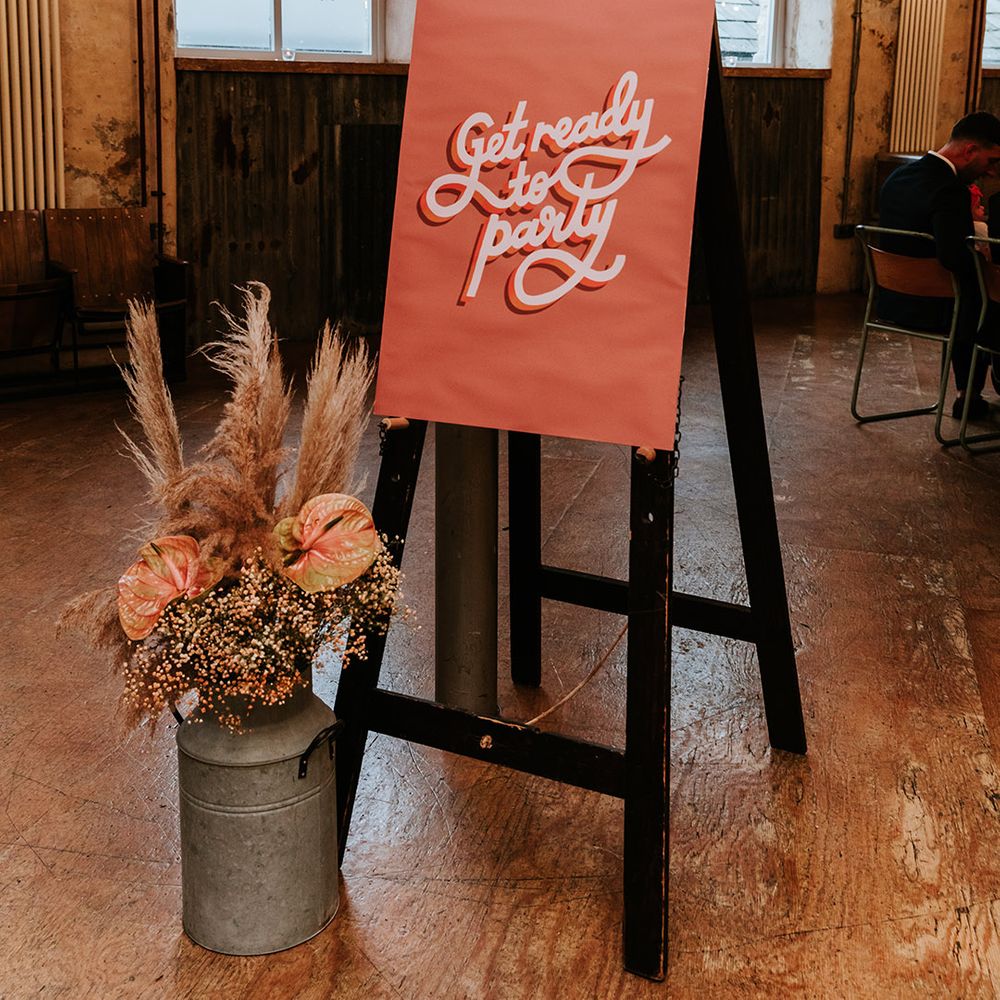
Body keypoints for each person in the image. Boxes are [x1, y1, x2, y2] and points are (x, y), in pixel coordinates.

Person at [878, 112, 1000, 419]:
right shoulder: (950, 189)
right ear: (970, 151)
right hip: (934, 308)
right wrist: (986, 259)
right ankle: (968, 396)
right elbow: (953, 257)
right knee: (990, 297)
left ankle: (969, 393)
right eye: (991, 160)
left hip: (890, 300)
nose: (991, 172)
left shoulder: (899, 176)